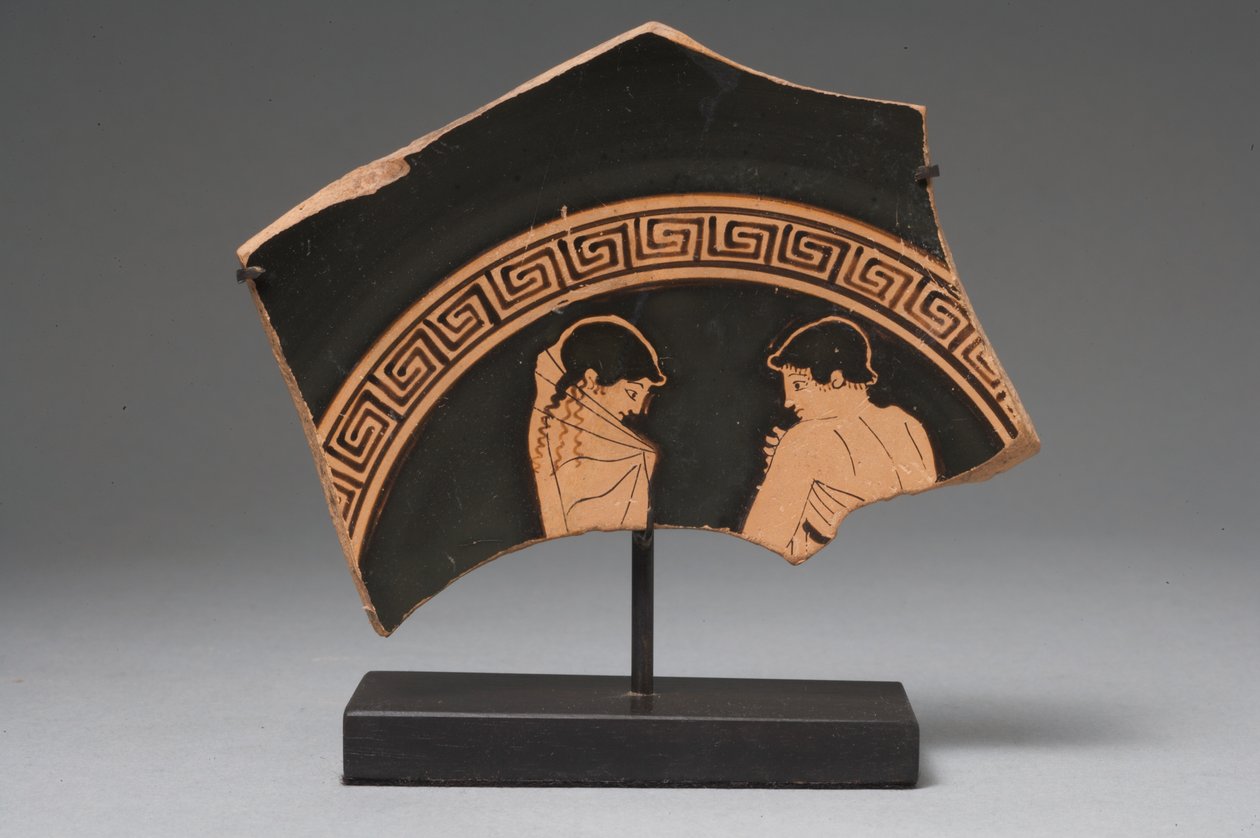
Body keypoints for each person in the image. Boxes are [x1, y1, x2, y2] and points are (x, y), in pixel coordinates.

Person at [741, 317, 936, 562]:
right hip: (905, 559)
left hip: (833, 571)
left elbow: (759, 542)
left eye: (798, 385)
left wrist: (786, 463)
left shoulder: (805, 440)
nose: (789, 400)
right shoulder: (907, 424)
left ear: (836, 378)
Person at [528, 316, 667, 538]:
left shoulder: (552, 434)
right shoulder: (632, 457)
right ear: (591, 381)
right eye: (632, 393)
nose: (637, 409)